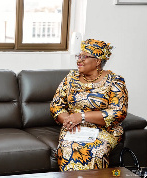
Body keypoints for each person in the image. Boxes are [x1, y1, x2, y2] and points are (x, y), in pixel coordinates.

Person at [50, 39, 128, 171]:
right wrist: (70, 120)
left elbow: (118, 112)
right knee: (69, 149)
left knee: (96, 150)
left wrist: (81, 117)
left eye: (84, 57)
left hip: (104, 130)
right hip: (74, 129)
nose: (78, 60)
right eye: (78, 56)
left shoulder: (115, 81)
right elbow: (56, 105)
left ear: (97, 61)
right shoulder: (70, 78)